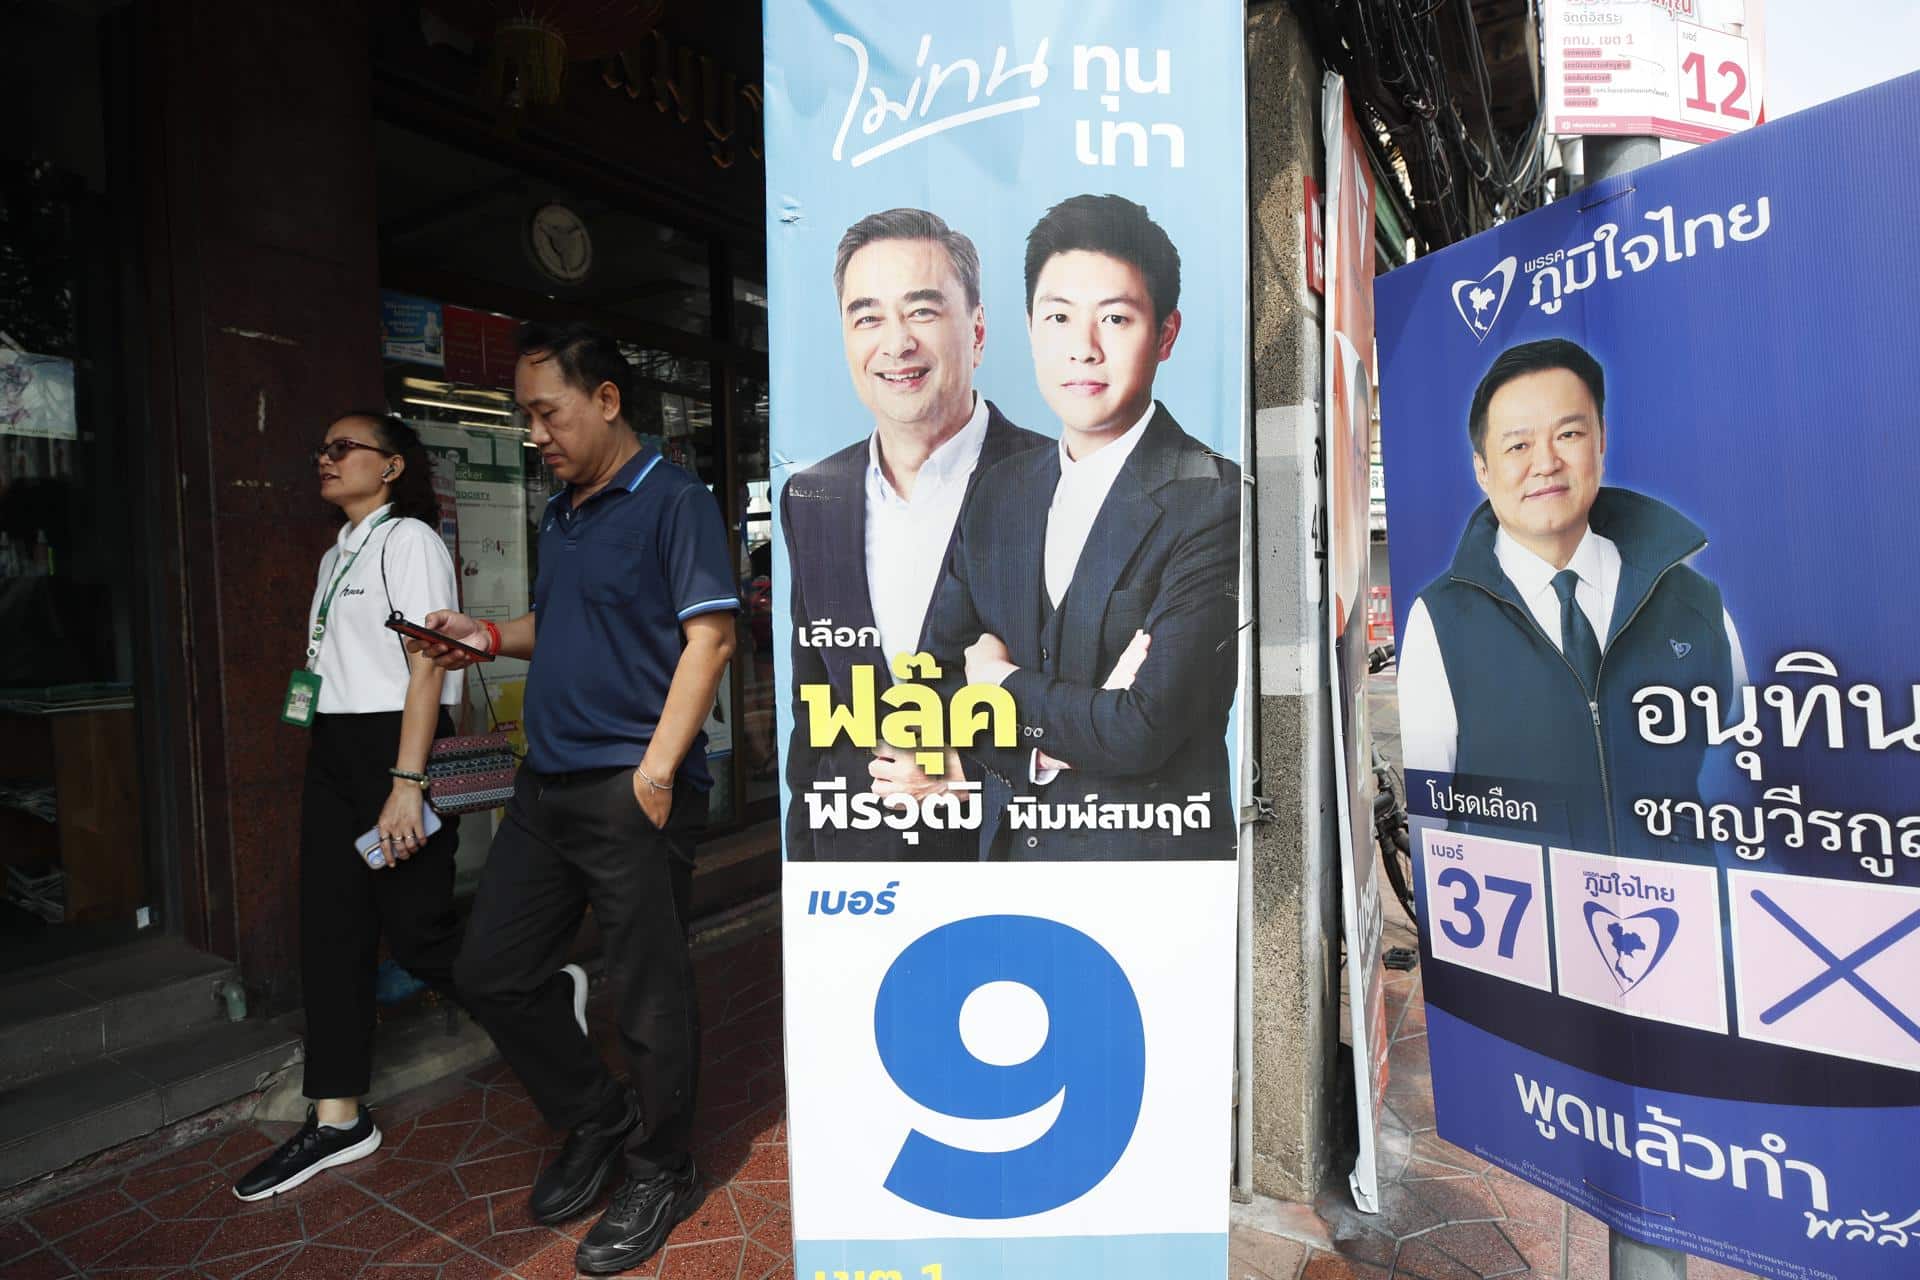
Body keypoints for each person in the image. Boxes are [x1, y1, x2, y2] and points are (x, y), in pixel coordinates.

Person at [412, 323, 737, 1275]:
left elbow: (711, 639)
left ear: (605, 399)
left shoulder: (676, 500)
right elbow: (556, 623)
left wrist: (657, 774)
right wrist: (484, 635)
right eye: (525, 416)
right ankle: (598, 1116)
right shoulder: (561, 512)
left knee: (648, 991)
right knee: (490, 970)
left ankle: (662, 1167)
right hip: (545, 785)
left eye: (547, 413)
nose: (535, 434)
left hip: (632, 788)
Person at [922, 194, 1240, 860]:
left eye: (1115, 318)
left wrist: (1001, 685)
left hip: (1153, 878)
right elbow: (936, 683)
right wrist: (1044, 746)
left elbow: (1142, 729)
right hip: (1011, 867)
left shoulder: (1212, 497)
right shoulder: (998, 490)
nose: (1083, 349)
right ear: (1030, 329)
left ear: (1166, 334)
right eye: (1059, 317)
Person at [233, 412, 465, 1200]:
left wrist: (407, 780)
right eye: (321, 449)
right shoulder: (339, 552)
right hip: (334, 746)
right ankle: (337, 1117)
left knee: (421, 933)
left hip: (398, 744)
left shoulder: (410, 541)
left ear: (391, 465)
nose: (325, 460)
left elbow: (429, 665)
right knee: (329, 930)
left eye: (343, 448)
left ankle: (535, 987)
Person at [1397, 337, 1746, 857]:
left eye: (1568, 434)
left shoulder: (1695, 604)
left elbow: (1744, 781)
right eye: (1518, 446)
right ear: (1482, 470)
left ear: (1601, 441)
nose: (1546, 463)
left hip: (1675, 904)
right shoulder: (1441, 620)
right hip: (1524, 906)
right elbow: (1432, 824)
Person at [781, 208, 1045, 861]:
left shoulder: (1063, 481)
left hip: (1009, 870)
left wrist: (972, 773)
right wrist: (805, 868)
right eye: (867, 317)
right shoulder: (812, 497)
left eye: (922, 311)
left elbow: (1115, 711)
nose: (895, 343)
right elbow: (813, 710)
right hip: (855, 870)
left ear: (977, 331)